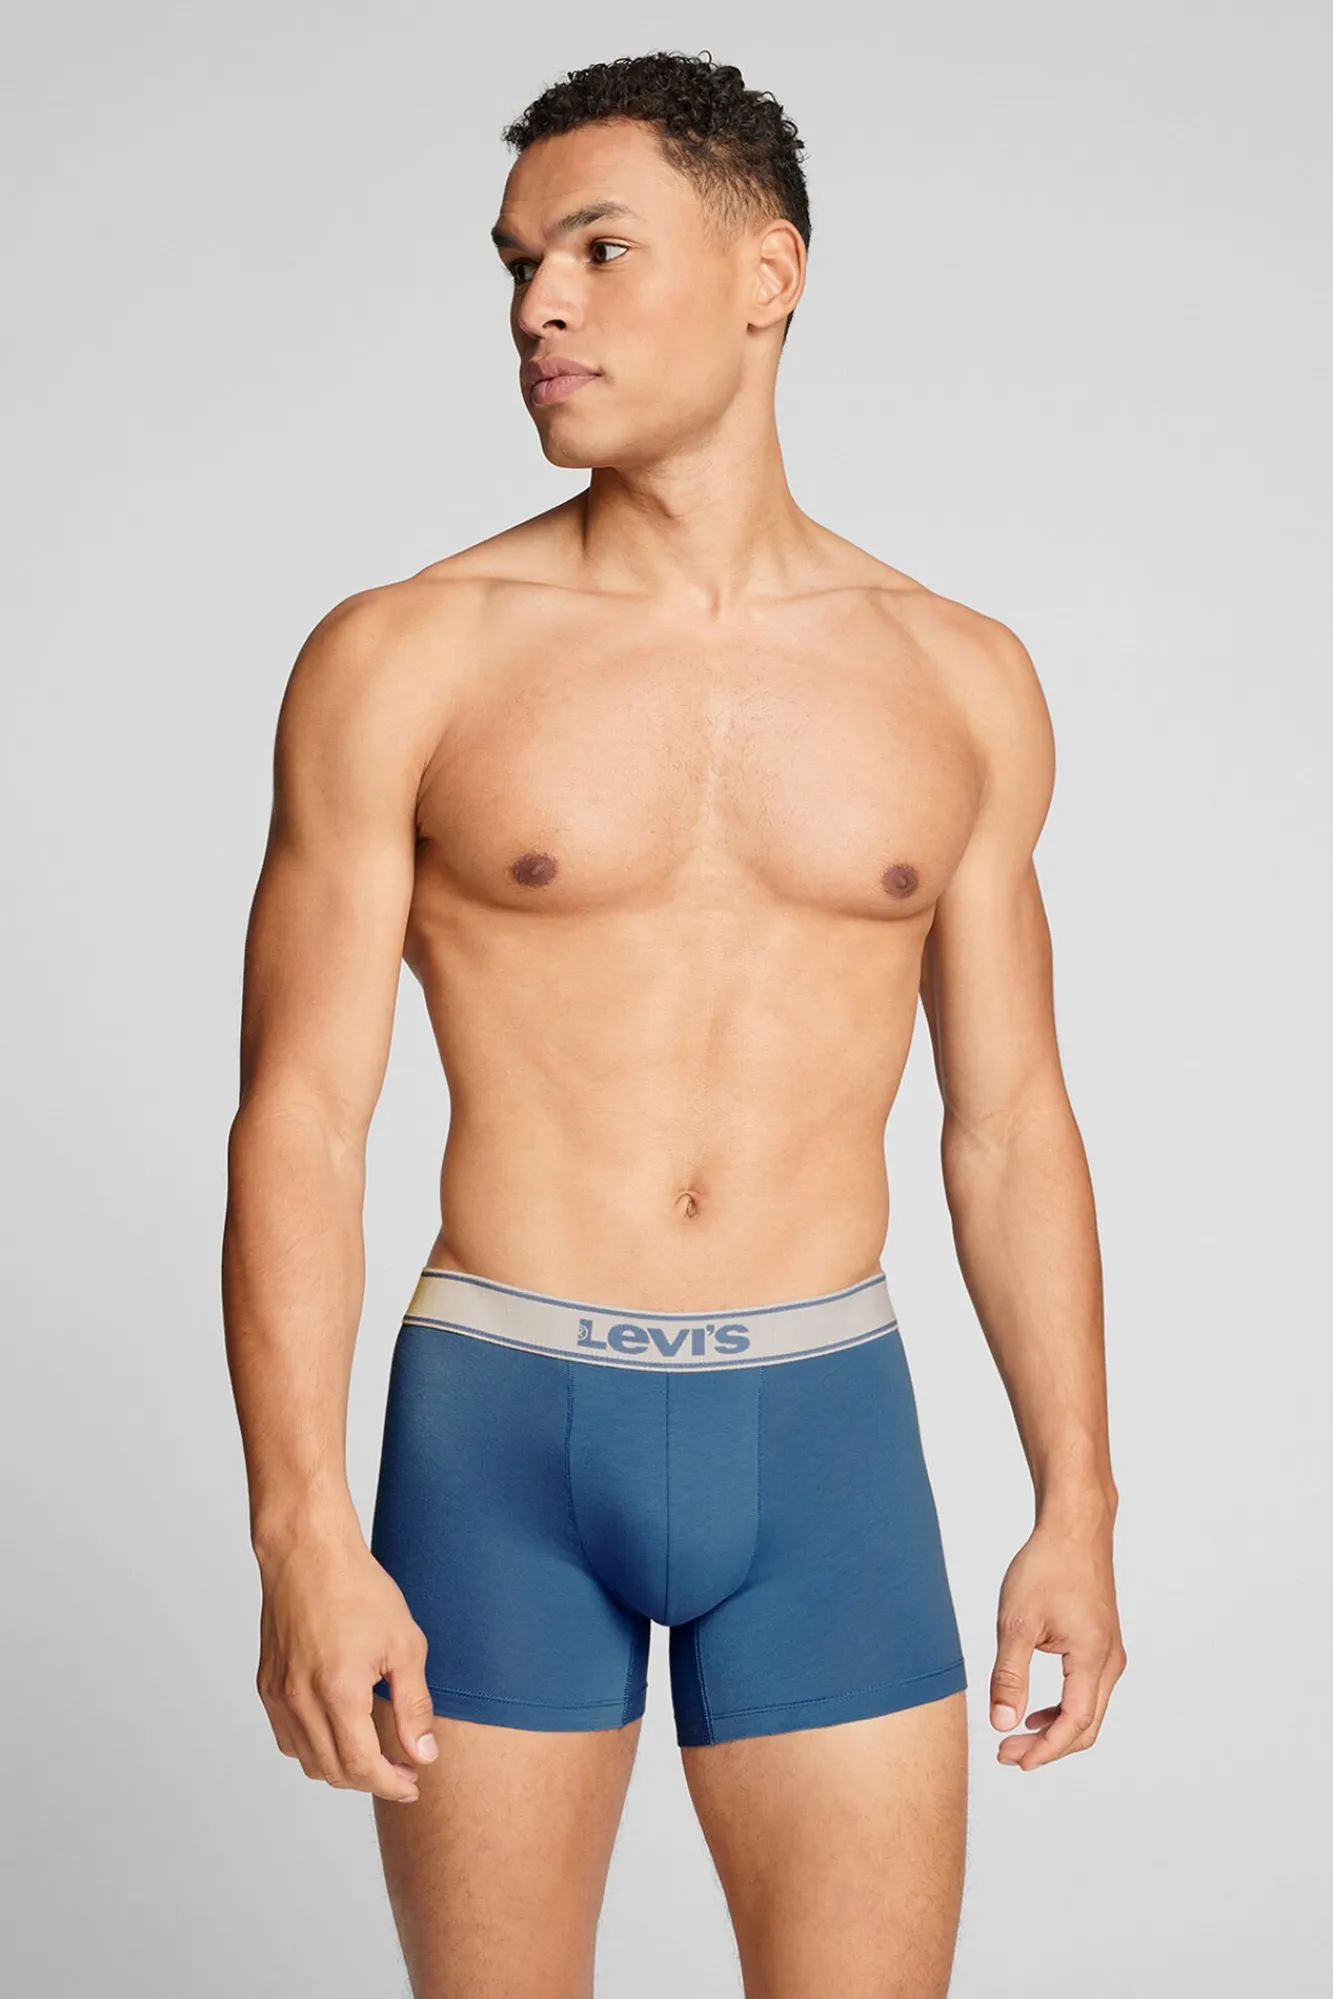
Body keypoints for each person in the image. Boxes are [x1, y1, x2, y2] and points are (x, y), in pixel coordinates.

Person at [223, 49, 1126, 1999]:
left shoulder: (959, 679)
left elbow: (1010, 1122)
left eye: (598, 249)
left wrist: (1080, 1500)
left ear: (767, 271)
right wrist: (301, 1528)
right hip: (501, 1431)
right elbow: (300, 1115)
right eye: (517, 263)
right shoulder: (404, 656)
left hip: (826, 1436)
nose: (537, 307)